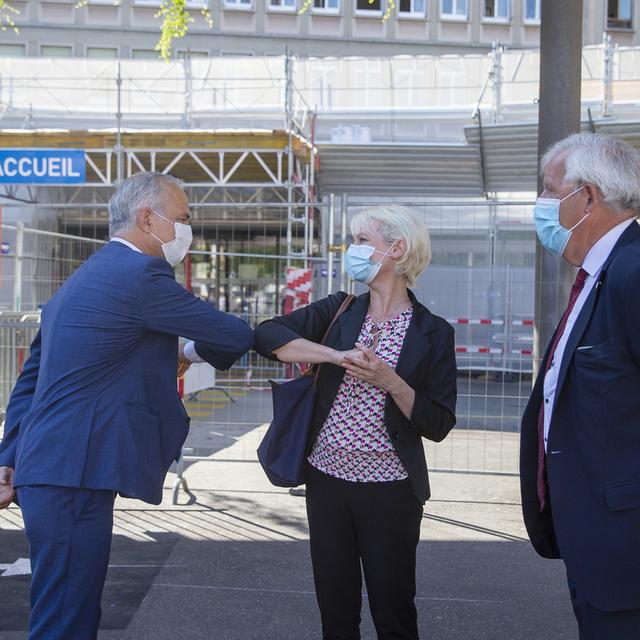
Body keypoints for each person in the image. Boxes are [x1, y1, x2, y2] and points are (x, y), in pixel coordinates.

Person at [0, 172, 254, 639]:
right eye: (181, 219)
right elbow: (235, 333)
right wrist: (187, 352)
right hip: (74, 473)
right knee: (66, 620)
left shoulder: (83, 277)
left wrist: (9, 459)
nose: (185, 230)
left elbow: (31, 379)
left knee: (61, 609)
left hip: (50, 468)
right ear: (146, 219)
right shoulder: (141, 274)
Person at [254, 205, 457, 640]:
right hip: (326, 482)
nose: (353, 249)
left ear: (396, 249)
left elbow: (438, 422)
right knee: (336, 609)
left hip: (391, 490)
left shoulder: (434, 332)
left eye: (363, 241)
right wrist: (334, 356)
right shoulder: (339, 311)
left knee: (394, 609)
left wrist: (392, 382)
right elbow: (268, 336)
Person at [520, 133, 640, 638]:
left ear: (587, 196)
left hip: (625, 554)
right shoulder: (600, 272)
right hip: (595, 542)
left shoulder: (633, 273)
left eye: (550, 191)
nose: (543, 207)